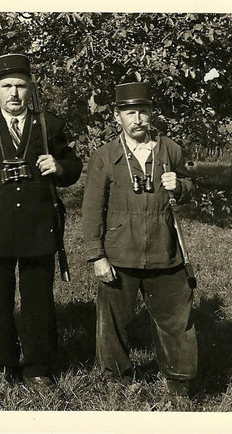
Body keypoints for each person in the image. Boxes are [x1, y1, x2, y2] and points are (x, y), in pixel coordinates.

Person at [0, 53, 82, 390]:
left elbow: (73, 166)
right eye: (7, 85)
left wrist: (59, 167)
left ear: (31, 88)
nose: (14, 93)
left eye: (21, 86)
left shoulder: (48, 124)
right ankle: (1, 363)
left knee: (38, 298)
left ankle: (38, 366)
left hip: (38, 225)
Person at [81, 81, 197, 401]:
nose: (138, 119)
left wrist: (181, 186)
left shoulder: (170, 149)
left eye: (143, 111)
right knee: (113, 321)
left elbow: (190, 185)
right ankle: (117, 378)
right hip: (119, 251)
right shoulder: (105, 156)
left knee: (175, 319)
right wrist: (97, 255)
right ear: (117, 116)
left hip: (165, 249)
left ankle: (179, 383)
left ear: (151, 113)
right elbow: (91, 210)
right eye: (130, 113)